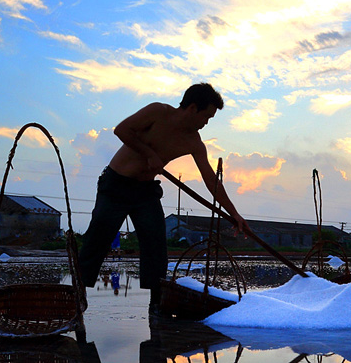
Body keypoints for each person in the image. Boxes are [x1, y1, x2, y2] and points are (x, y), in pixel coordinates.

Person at [78, 83, 252, 315]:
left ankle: (156, 305)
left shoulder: (194, 142)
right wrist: (149, 153)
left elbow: (211, 180)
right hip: (115, 186)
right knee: (98, 238)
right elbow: (122, 130)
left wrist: (234, 213)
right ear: (192, 108)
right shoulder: (158, 112)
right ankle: (76, 296)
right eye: (206, 117)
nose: (206, 123)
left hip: (145, 192)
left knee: (155, 245)